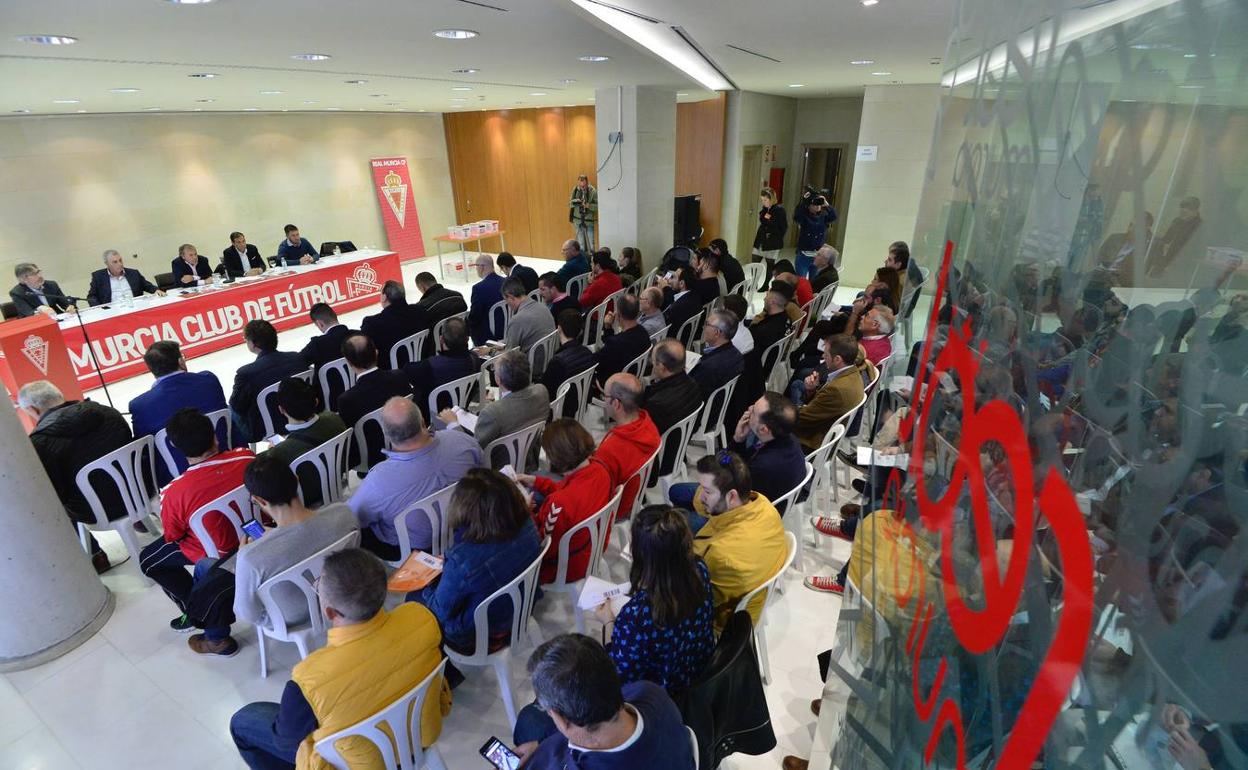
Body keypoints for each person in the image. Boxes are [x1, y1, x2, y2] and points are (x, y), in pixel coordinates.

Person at [229, 549, 450, 770]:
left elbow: (285, 740)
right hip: (418, 739)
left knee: (242, 721)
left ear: (330, 612)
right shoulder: (422, 619)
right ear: (384, 590)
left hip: (358, 764)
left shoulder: (308, 681)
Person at [139, 409, 252, 635]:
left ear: (175, 446)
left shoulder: (174, 491)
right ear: (215, 436)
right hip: (254, 535)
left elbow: (173, 535)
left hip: (215, 553)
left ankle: (194, 610)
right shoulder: (246, 457)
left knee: (148, 560)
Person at [513, 633, 695, 769]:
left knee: (528, 720)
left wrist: (540, 755)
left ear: (561, 718)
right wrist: (540, 747)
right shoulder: (649, 692)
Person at [409, 467, 542, 653]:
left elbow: (441, 612)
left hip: (475, 635)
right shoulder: (528, 524)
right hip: (520, 610)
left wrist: (428, 582)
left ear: (463, 509)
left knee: (414, 597)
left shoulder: (462, 559)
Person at [228, 456, 357, 646]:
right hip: (343, 593)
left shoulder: (250, 557)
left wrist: (272, 620)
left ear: (258, 500)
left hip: (292, 618)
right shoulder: (343, 513)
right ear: (296, 480)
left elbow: (246, 612)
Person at [19, 380, 133, 573]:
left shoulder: (39, 442)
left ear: (33, 409)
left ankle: (96, 556)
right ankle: (140, 521)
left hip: (94, 511)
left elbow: (57, 494)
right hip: (138, 492)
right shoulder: (108, 412)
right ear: (59, 395)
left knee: (53, 502)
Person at [597, 505, 715, 691]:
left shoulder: (638, 615)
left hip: (665, 691)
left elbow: (619, 673)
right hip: (698, 667)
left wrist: (608, 622)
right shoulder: (700, 569)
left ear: (642, 556)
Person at [351, 397, 482, 560]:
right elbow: (483, 472)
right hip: (465, 524)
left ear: (386, 434)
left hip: (412, 549)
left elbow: (352, 520)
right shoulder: (462, 440)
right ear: (422, 422)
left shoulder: (378, 481)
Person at [690, 451, 786, 632]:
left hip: (724, 625)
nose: (701, 496)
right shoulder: (763, 504)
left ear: (732, 497)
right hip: (752, 601)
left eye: (707, 491)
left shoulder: (720, 554)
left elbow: (691, 600)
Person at [513, 420, 615, 584]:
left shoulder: (558, 504)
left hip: (566, 565)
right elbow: (567, 489)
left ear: (556, 458)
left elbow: (541, 548)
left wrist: (526, 513)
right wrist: (534, 481)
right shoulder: (600, 468)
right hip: (592, 545)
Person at [129, 340, 230, 483]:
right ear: (180, 361)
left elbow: (146, 449)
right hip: (226, 453)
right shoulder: (208, 380)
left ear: (152, 370)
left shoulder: (141, 405)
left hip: (177, 475)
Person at [257, 378, 348, 507]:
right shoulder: (334, 418)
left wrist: (273, 449)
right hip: (338, 481)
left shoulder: (279, 452)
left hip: (307, 499)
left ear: (281, 410)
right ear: (316, 401)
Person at [441, 349, 550, 450]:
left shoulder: (492, 413)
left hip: (499, 461)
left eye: (494, 370)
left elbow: (473, 449)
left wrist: (453, 424)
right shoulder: (542, 391)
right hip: (530, 452)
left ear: (498, 380)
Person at [335, 333, 413, 466]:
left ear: (348, 362)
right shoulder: (399, 376)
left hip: (372, 458)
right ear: (376, 353)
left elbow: (352, 440)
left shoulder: (347, 400)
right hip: (408, 440)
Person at [229, 319, 309, 442]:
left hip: (265, 428)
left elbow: (238, 407)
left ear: (252, 344)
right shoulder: (297, 358)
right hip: (303, 412)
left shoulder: (246, 373)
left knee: (230, 409)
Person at [594, 374, 662, 512]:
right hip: (634, 496)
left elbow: (597, 493)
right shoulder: (648, 424)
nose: (603, 400)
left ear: (616, 404)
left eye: (604, 396)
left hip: (616, 508)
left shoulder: (610, 450)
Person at [794, 334, 866, 453]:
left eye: (826, 354)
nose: (823, 356)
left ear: (837, 359)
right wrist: (811, 389)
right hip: (822, 427)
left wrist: (777, 413)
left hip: (811, 441)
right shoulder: (854, 374)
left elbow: (802, 419)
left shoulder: (837, 389)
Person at [403, 316, 482, 419]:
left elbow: (406, 370)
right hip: (460, 410)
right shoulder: (474, 359)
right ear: (467, 339)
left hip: (431, 417)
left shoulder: (430, 366)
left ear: (441, 339)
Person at [359, 280, 428, 369]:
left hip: (391, 372)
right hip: (421, 364)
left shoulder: (372, 323)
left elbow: (364, 352)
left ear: (384, 297)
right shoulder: (420, 310)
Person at [542, 309, 596, 417]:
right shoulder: (588, 353)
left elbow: (546, 392)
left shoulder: (557, 362)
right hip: (580, 406)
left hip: (559, 412)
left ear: (559, 328)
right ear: (580, 331)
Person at [594, 293, 651, 387]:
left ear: (618, 314)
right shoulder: (643, 332)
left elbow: (597, 362)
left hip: (616, 383)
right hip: (634, 377)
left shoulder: (616, 343)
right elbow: (612, 346)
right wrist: (608, 327)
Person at [690, 308, 745, 401]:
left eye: (707, 324)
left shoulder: (708, 367)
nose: (703, 327)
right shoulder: (737, 355)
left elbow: (690, 393)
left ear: (717, 333)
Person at [1147, 195, 1203, 279]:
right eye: (1182, 208)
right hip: (1163, 262)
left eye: (1187, 209)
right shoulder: (1176, 221)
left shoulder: (1200, 226)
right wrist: (1163, 245)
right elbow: (1165, 239)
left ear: (1196, 211)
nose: (1183, 211)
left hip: (1181, 266)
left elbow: (1194, 249)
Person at [499, 277, 556, 353]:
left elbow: (509, 355)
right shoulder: (544, 308)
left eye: (506, 300)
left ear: (511, 297)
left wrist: (491, 351)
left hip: (529, 359)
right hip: (550, 355)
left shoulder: (517, 320)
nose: (507, 304)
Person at [87, 250, 164, 305]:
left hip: (135, 307)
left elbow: (147, 286)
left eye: (120, 260)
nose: (120, 264)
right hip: (112, 312)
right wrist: (100, 309)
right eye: (115, 262)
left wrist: (156, 290)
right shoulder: (98, 277)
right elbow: (91, 297)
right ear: (107, 264)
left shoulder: (133, 273)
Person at [297, 303, 354, 376]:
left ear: (320, 323)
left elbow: (298, 362)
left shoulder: (317, 344)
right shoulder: (358, 335)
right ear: (335, 316)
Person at [792, 189, 836, 279]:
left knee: (815, 281)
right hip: (804, 254)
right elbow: (797, 217)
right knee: (801, 281)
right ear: (809, 205)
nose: (818, 206)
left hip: (818, 256)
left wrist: (826, 204)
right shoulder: (804, 216)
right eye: (815, 204)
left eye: (819, 203)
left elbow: (833, 217)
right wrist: (804, 202)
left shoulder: (823, 216)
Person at [468, 254, 505, 346]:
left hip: (489, 336)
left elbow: (475, 316)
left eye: (476, 266)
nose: (476, 269)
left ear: (481, 267)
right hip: (507, 328)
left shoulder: (478, 288)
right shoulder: (506, 281)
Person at [753, 186, 788, 284]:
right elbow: (763, 221)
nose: (763, 202)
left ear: (771, 198)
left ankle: (765, 284)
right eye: (762, 200)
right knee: (755, 261)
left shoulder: (779, 210)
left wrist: (775, 237)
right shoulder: (765, 209)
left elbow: (784, 227)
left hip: (772, 242)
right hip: (760, 240)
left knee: (770, 264)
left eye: (765, 200)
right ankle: (754, 282)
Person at [660, 266, 703, 342]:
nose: (669, 281)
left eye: (674, 277)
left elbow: (665, 329)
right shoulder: (695, 296)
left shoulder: (677, 307)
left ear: (682, 283)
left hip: (673, 341)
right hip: (688, 336)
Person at [569, 174, 598, 253]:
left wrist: (589, 205)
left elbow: (598, 206)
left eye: (584, 186)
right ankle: (583, 258)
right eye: (580, 185)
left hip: (588, 221)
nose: (582, 187)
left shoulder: (593, 191)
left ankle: (592, 258)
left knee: (591, 244)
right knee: (581, 244)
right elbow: (570, 203)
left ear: (587, 183)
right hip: (577, 220)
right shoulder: (575, 189)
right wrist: (576, 202)